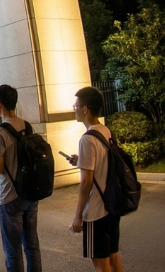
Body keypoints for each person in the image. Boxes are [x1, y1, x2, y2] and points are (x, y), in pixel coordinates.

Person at [0, 84, 43, 272]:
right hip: (30, 191)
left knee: (13, 250)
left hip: (10, 195)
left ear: (0, 104)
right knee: (32, 246)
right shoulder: (27, 126)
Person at [68, 87, 123, 272]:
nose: (73, 109)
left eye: (76, 105)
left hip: (97, 210)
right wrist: (80, 161)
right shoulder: (106, 131)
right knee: (113, 255)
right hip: (112, 204)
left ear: (85, 109)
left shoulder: (87, 139)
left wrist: (78, 215)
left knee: (99, 261)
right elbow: (105, 163)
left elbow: (86, 182)